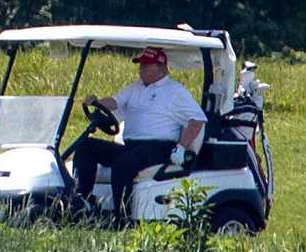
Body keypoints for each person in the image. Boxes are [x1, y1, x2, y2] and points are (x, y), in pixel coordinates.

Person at [73, 46, 207, 224]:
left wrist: (181, 147)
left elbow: (197, 120)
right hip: (133, 146)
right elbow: (114, 102)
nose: (141, 69)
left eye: (146, 65)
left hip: (160, 147)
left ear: (161, 67)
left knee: (123, 164)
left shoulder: (175, 91)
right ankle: (83, 202)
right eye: (141, 65)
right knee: (85, 147)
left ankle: (122, 218)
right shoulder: (135, 88)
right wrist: (97, 102)